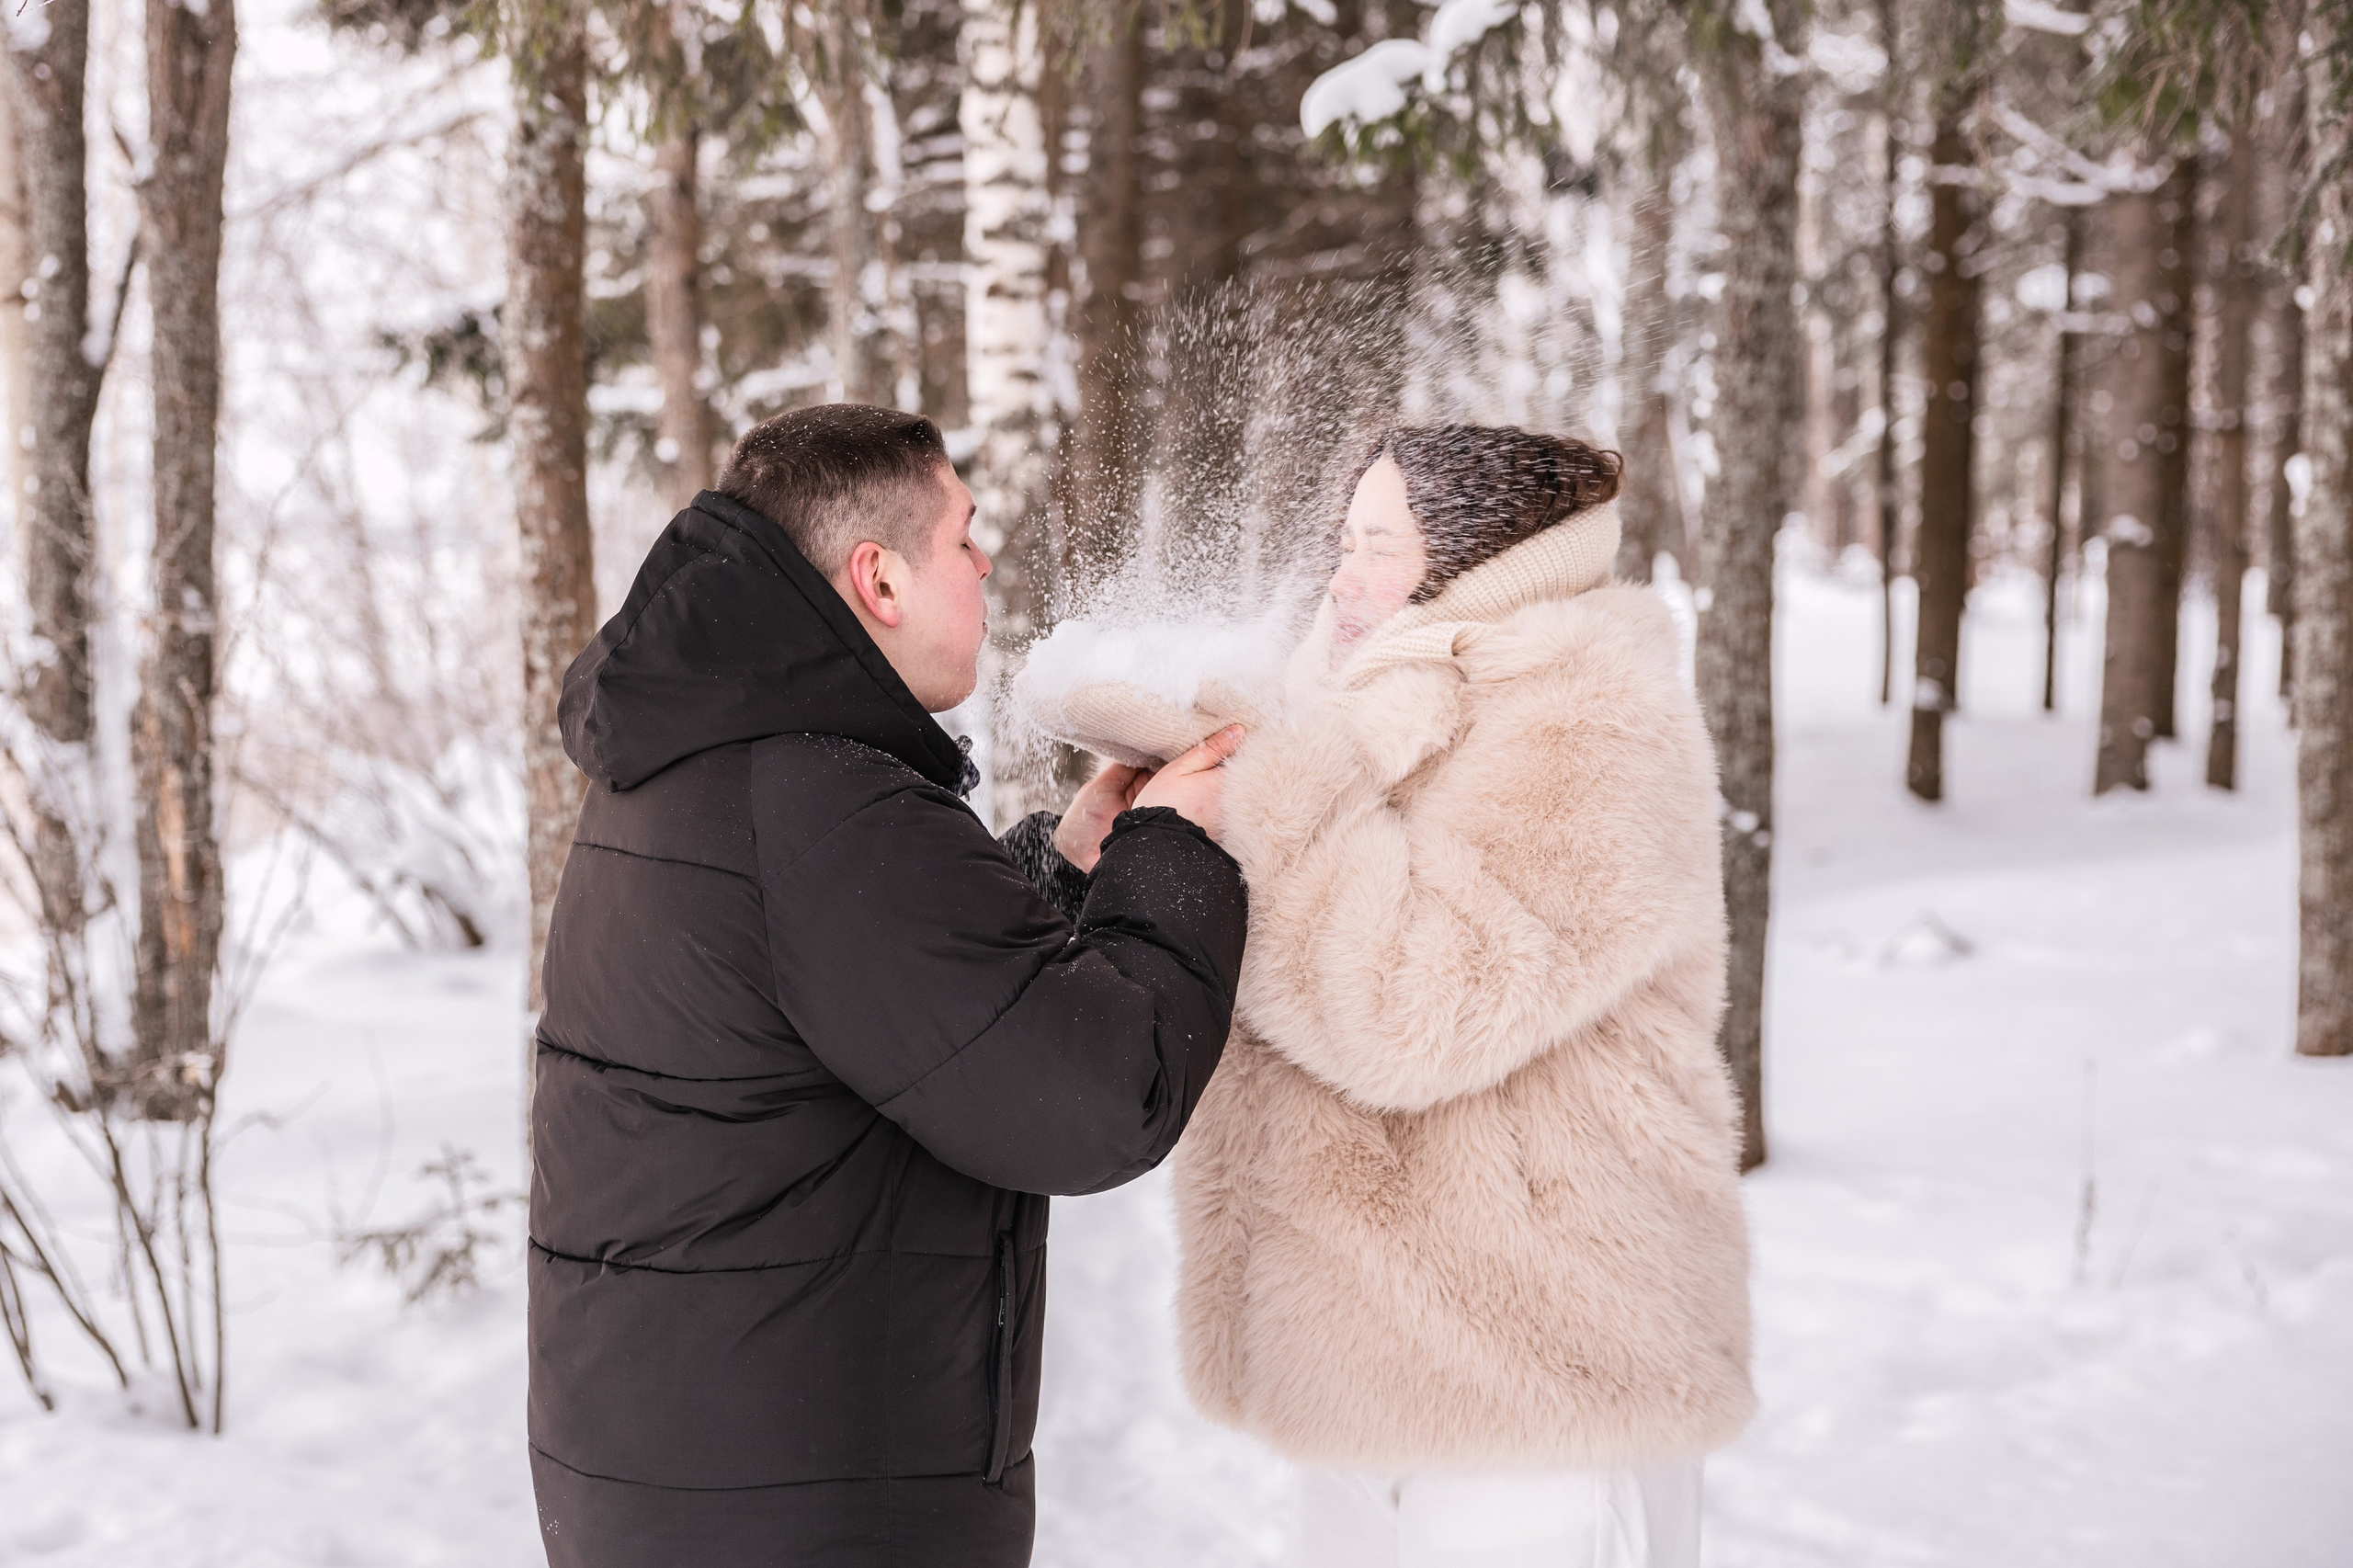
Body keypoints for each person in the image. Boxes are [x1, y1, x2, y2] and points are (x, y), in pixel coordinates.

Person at [528, 403, 1247, 1567]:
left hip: (694, 1478)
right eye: (962, 534)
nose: (985, 560)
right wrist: (1177, 852)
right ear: (879, 579)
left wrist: (1061, 874)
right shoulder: (824, 806)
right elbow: (1102, 1095)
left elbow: (871, 1007)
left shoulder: (709, 764)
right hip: (803, 1507)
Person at [1174, 425, 1754, 1568]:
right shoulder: (1360, 701)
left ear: (1479, 561)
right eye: (1344, 538)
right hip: (1370, 1356)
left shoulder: (1594, 713)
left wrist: (1256, 797)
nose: (1342, 572)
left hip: (1546, 1365)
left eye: (1377, 545)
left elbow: (1412, 1002)